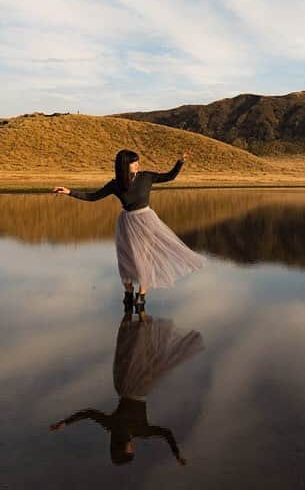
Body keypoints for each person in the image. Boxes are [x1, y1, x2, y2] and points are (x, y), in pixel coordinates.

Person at [52, 149, 207, 307]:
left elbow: (170, 176)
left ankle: (141, 295)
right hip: (127, 222)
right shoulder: (116, 184)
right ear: (124, 165)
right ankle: (128, 292)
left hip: (146, 221)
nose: (137, 164)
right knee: (126, 258)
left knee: (144, 258)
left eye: (137, 161)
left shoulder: (146, 177)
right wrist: (69, 192)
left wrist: (180, 161)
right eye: (133, 162)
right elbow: (93, 197)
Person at [49, 308, 204, 466]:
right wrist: (176, 453)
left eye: (129, 450)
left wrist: (65, 422)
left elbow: (88, 413)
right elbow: (166, 433)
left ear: (122, 449)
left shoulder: (124, 428)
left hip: (133, 385)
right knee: (139, 352)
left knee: (133, 351)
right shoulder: (131, 429)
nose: (132, 448)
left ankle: (133, 310)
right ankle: (138, 315)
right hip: (131, 386)